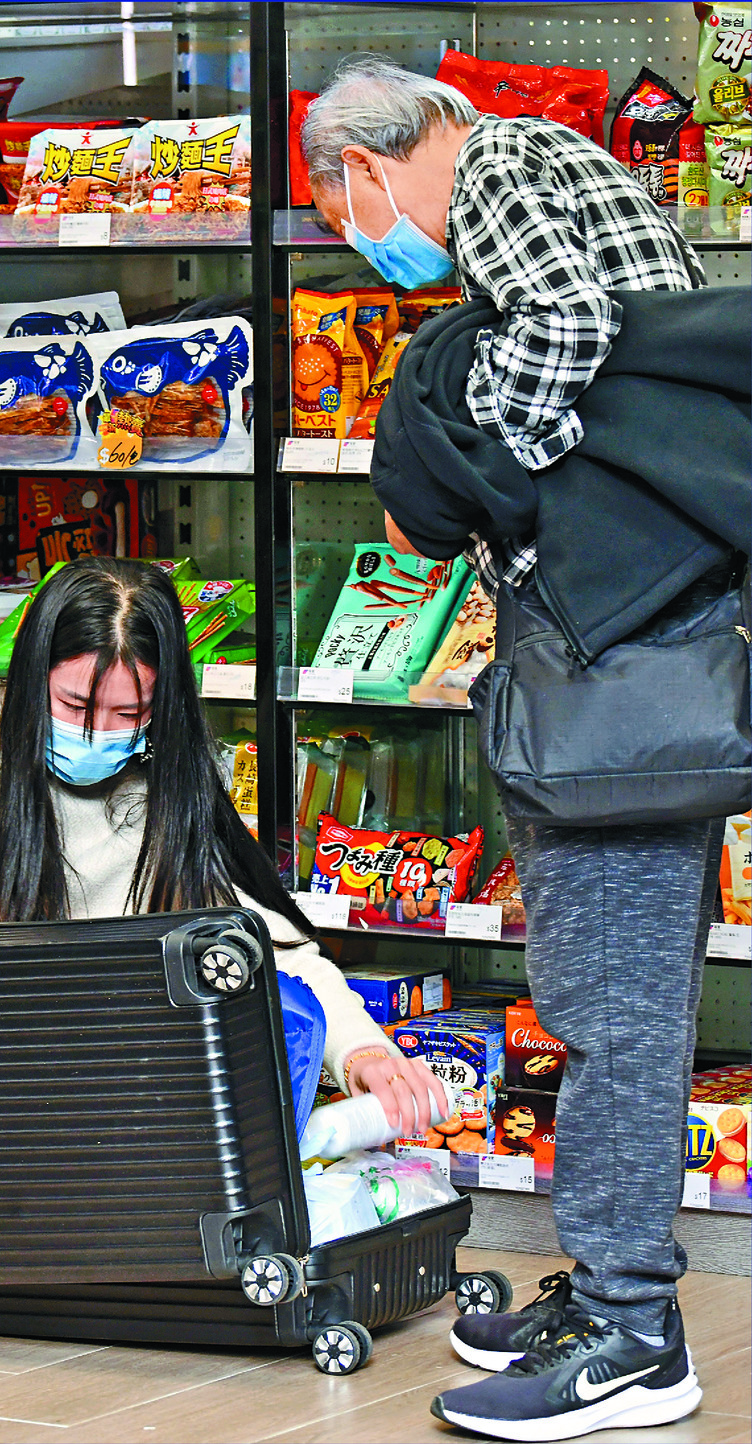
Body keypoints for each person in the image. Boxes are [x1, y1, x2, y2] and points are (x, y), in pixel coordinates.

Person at [302, 54, 725, 1443]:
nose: (374, 244)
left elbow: (565, 323)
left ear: (368, 167)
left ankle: (628, 1333)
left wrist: (516, 484)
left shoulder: (500, 165)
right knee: (607, 989)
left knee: (612, 1011)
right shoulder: (570, 171)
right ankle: (607, 1292)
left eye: (348, 212)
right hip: (648, 642)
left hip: (623, 659)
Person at [0, 557, 447, 1171]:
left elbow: (274, 949)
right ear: (32, 673)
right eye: (75, 705)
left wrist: (363, 1052)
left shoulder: (170, 784)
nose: (98, 733)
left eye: (130, 714)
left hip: (30, 1051)